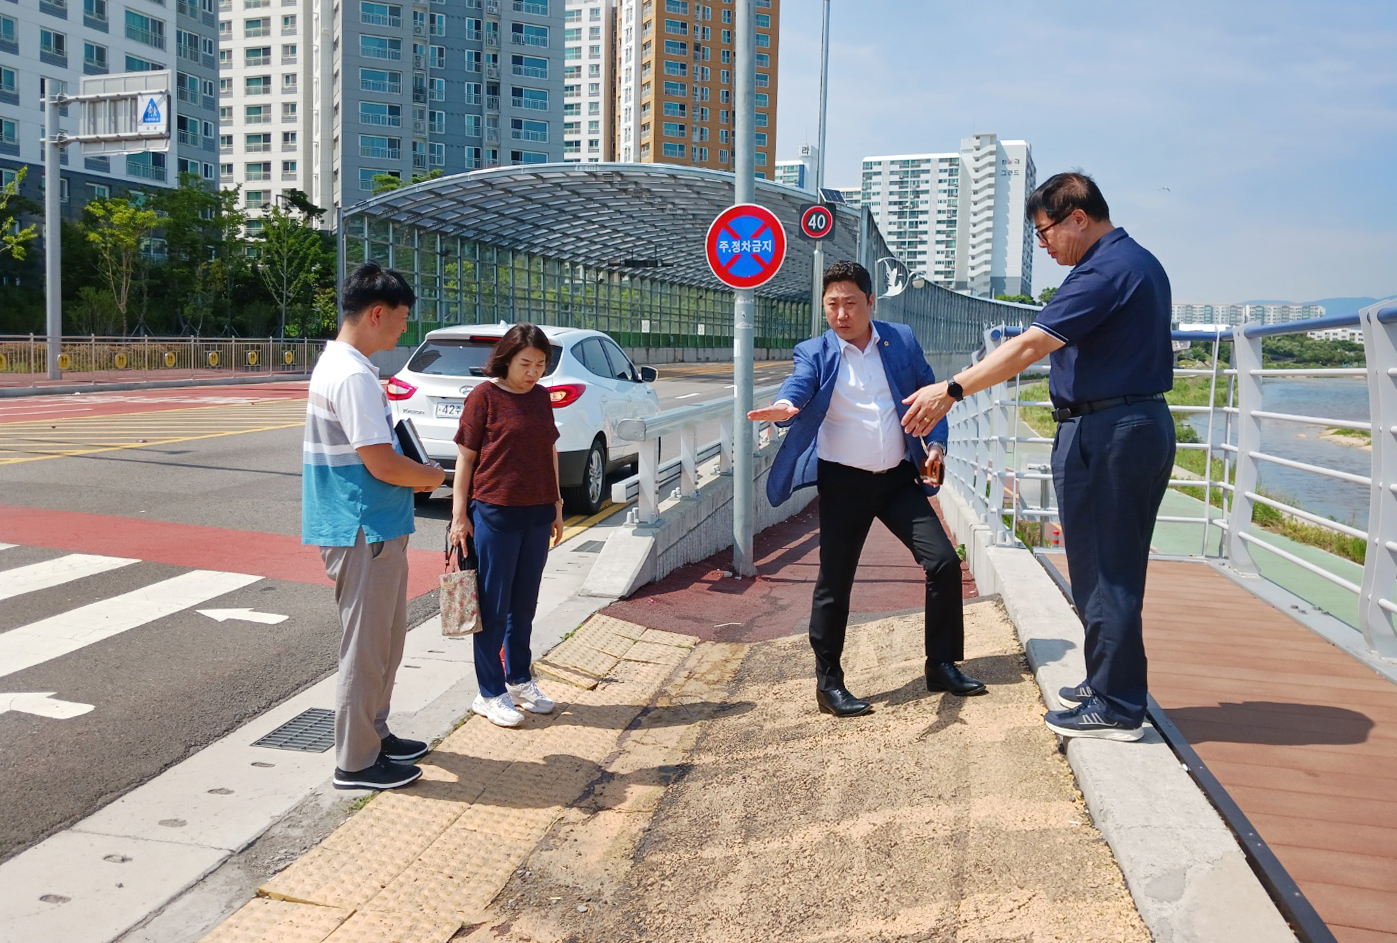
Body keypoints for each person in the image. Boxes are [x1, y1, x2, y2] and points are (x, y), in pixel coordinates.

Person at [900, 171, 1175, 742]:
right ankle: (1108, 684)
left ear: (1079, 217)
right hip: (1116, 424)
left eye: (1046, 231)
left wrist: (950, 390)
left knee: (1109, 571)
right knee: (1101, 567)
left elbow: (1029, 344)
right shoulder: (1130, 263)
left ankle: (1119, 706)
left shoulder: (1105, 270)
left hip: (1112, 430)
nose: (1044, 243)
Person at [749, 260, 986, 718]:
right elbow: (798, 386)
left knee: (942, 563)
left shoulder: (901, 341)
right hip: (844, 482)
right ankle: (829, 684)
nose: (841, 314)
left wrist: (935, 445)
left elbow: (931, 396)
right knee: (835, 583)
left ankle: (940, 664)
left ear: (871, 303)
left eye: (850, 303)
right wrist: (784, 406)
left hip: (898, 478)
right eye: (832, 305)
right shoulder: (814, 351)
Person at [303, 262, 446, 790]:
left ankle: (375, 735)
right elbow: (381, 462)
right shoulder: (352, 374)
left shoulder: (341, 365)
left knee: (384, 641)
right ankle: (356, 761)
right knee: (365, 649)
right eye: (403, 319)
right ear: (378, 313)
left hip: (370, 524)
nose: (404, 330)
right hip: (362, 526)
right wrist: (431, 476)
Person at [449, 323, 566, 729]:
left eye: (540, 364)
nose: (533, 372)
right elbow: (465, 458)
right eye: (525, 363)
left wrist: (556, 504)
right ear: (507, 358)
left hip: (536, 513)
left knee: (525, 605)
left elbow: (549, 450)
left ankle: (519, 679)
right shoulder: (485, 396)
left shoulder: (540, 398)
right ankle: (490, 692)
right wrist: (459, 515)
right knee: (493, 607)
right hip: (494, 513)